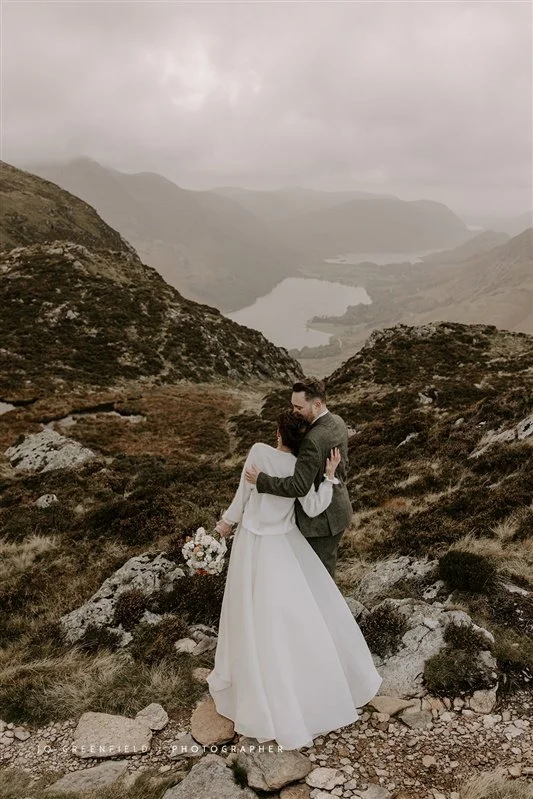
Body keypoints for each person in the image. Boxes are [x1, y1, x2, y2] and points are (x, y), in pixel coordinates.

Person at [208, 410, 382, 751]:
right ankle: (306, 685)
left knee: (249, 611)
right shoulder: (299, 468)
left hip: (252, 543)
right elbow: (314, 508)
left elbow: (242, 496)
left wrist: (225, 525)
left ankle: (252, 680)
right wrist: (329, 477)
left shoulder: (258, 452)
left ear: (278, 434)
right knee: (287, 615)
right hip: (284, 544)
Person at [245, 377, 351, 579]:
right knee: (321, 574)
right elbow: (344, 467)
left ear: (317, 404)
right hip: (338, 509)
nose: (294, 411)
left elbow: (298, 486)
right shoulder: (338, 421)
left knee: (318, 579)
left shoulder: (312, 439)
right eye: (293, 405)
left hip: (320, 523)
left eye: (299, 407)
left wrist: (261, 480)